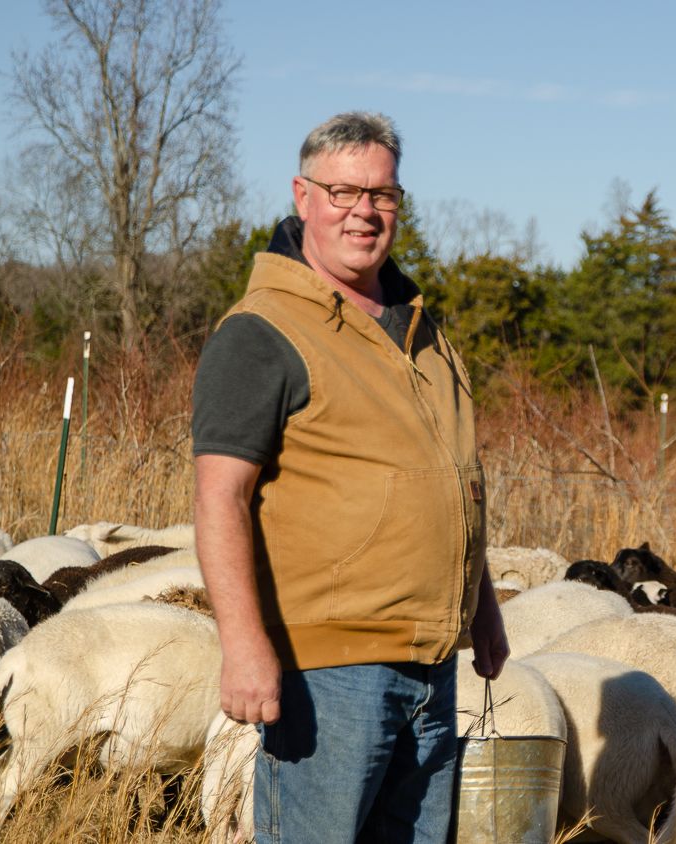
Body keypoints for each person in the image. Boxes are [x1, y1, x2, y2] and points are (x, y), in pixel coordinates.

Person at [192, 111, 508, 844]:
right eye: (343, 192)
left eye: (383, 195)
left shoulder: (422, 332)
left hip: (432, 664)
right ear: (302, 196)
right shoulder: (261, 333)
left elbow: (454, 481)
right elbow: (221, 497)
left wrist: (482, 608)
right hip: (328, 672)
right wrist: (243, 646)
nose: (364, 212)